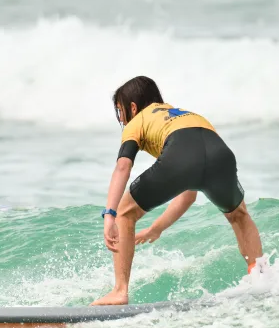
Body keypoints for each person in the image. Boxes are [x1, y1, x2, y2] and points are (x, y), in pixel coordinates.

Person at [93, 76, 263, 306]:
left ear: (132, 107)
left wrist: (110, 214)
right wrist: (156, 228)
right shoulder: (186, 115)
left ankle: (120, 291)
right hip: (221, 154)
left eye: (119, 112)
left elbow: (123, 166)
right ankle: (261, 279)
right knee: (239, 215)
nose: (121, 119)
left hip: (181, 154)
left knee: (126, 212)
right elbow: (190, 191)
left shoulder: (138, 121)